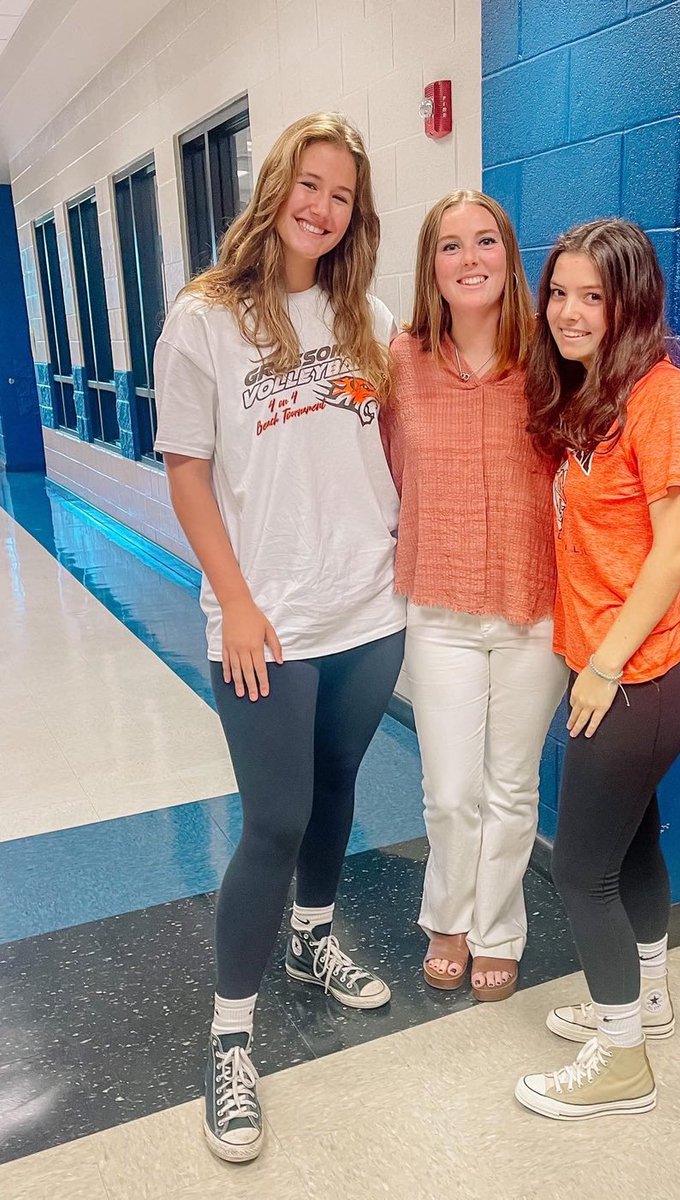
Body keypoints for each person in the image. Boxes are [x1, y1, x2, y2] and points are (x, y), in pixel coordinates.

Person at [153, 113, 405, 1163]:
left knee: (339, 782)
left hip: (367, 606)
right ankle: (229, 1036)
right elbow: (186, 469)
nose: (321, 206)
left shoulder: (370, 315)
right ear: (275, 189)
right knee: (273, 817)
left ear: (355, 215)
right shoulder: (205, 319)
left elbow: (398, 442)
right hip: (266, 618)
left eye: (341, 194)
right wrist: (237, 600)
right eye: (309, 184)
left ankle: (311, 940)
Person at [513, 219, 680, 1119]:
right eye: (559, 292)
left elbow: (675, 549)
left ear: (630, 302)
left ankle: (622, 1059)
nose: (569, 311)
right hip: (629, 674)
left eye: (593, 295)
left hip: (636, 679)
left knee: (578, 871)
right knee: (633, 842)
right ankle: (650, 996)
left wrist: (599, 666)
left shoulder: (663, 396)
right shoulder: (594, 397)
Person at [382, 190, 568, 1003]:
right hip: (440, 609)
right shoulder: (400, 362)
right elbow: (383, 471)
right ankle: (445, 916)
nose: (470, 260)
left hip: (534, 609)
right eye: (450, 246)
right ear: (432, 266)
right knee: (450, 788)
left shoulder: (548, 359)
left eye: (484, 242)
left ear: (508, 255)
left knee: (511, 788)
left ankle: (497, 930)